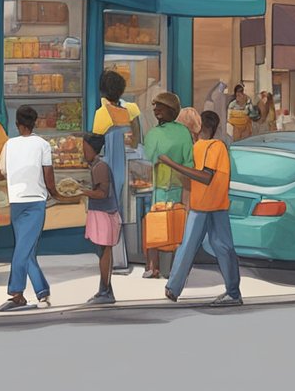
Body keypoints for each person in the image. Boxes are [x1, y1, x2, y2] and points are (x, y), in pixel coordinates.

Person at [0, 105, 74, 312]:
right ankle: (37, 291)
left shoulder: (9, 145)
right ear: (35, 122)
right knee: (25, 249)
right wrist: (56, 194)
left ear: (16, 123)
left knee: (23, 247)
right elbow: (48, 174)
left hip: (16, 201)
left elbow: (1, 170)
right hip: (36, 201)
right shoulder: (42, 145)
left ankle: (17, 293)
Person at [160, 109, 243, 307]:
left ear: (200, 127)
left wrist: (173, 164)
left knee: (218, 247)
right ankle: (174, 287)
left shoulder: (216, 147)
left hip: (213, 207)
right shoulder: (197, 147)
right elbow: (190, 179)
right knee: (196, 246)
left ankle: (232, 292)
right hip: (203, 205)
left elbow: (205, 177)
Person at [142, 91, 194, 279]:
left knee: (157, 224)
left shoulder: (154, 134)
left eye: (160, 107)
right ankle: (170, 269)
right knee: (175, 225)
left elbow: (147, 160)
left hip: (159, 188)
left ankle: (153, 268)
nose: (156, 110)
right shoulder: (184, 132)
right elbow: (189, 162)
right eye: (155, 106)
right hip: (177, 187)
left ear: (171, 110)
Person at [79, 134, 120, 305]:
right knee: (102, 252)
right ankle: (104, 290)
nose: (83, 152)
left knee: (104, 252)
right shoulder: (96, 166)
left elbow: (103, 193)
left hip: (104, 214)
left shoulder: (100, 167)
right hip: (100, 213)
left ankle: (105, 291)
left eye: (85, 148)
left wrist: (82, 191)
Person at [92, 71, 143, 148]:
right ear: (122, 91)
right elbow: (136, 140)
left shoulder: (99, 114)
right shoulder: (131, 109)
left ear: (101, 91)